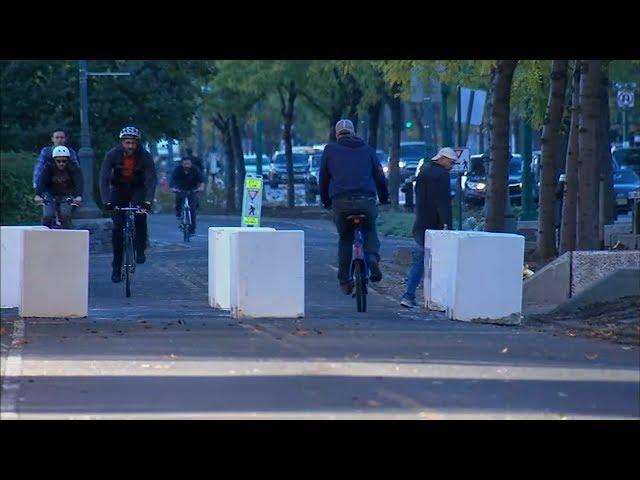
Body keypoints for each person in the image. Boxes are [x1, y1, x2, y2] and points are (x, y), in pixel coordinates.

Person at [319, 119, 389, 295]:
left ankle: (344, 280)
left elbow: (323, 179)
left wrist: (326, 201)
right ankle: (372, 257)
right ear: (353, 132)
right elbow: (380, 177)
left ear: (337, 134)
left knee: (345, 239)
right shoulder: (368, 150)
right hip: (366, 200)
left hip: (341, 202)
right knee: (370, 230)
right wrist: (384, 198)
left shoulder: (330, 150)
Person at [99, 126, 157, 283]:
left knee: (139, 215)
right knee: (117, 227)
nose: (130, 146)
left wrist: (148, 201)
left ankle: (140, 248)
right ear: (122, 143)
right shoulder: (112, 155)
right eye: (127, 143)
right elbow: (104, 178)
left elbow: (151, 179)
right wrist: (106, 201)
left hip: (138, 188)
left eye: (133, 143)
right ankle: (116, 267)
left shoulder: (144, 156)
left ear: (137, 143)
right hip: (119, 189)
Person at [400, 147, 456, 308]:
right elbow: (443, 203)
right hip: (436, 225)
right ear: (442, 159)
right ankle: (436, 299)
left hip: (421, 222)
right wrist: (447, 225)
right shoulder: (442, 176)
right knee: (439, 263)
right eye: (451, 162)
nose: (451, 166)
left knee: (419, 260)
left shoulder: (424, 171)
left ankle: (408, 295)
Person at [34, 146, 83, 229]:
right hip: (50, 194)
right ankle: (44, 234)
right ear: (54, 160)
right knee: (48, 216)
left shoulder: (73, 168)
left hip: (67, 194)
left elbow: (79, 182)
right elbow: (42, 181)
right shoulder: (48, 167)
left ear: (68, 160)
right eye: (58, 161)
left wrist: (78, 195)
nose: (61, 163)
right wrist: (38, 194)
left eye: (64, 161)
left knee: (65, 215)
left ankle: (67, 235)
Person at [170, 157, 205, 234]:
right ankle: (179, 214)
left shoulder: (195, 170)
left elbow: (201, 180)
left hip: (192, 189)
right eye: (185, 164)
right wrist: (173, 188)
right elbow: (172, 180)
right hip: (181, 189)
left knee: (192, 208)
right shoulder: (178, 170)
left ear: (191, 164)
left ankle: (192, 229)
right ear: (182, 163)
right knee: (178, 201)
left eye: (188, 164)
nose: (186, 165)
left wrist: (201, 188)